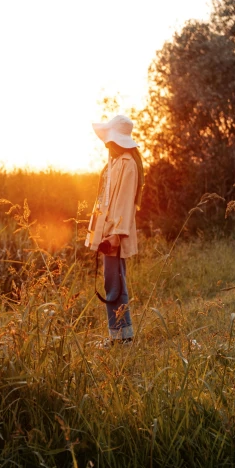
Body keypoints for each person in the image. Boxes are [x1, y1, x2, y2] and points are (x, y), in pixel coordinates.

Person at [85, 114, 144, 343]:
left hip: (115, 234)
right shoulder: (116, 162)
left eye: (109, 139)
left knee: (115, 284)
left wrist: (117, 235)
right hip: (109, 231)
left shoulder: (128, 165)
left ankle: (123, 338)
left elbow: (124, 202)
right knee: (113, 282)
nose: (106, 144)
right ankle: (118, 336)